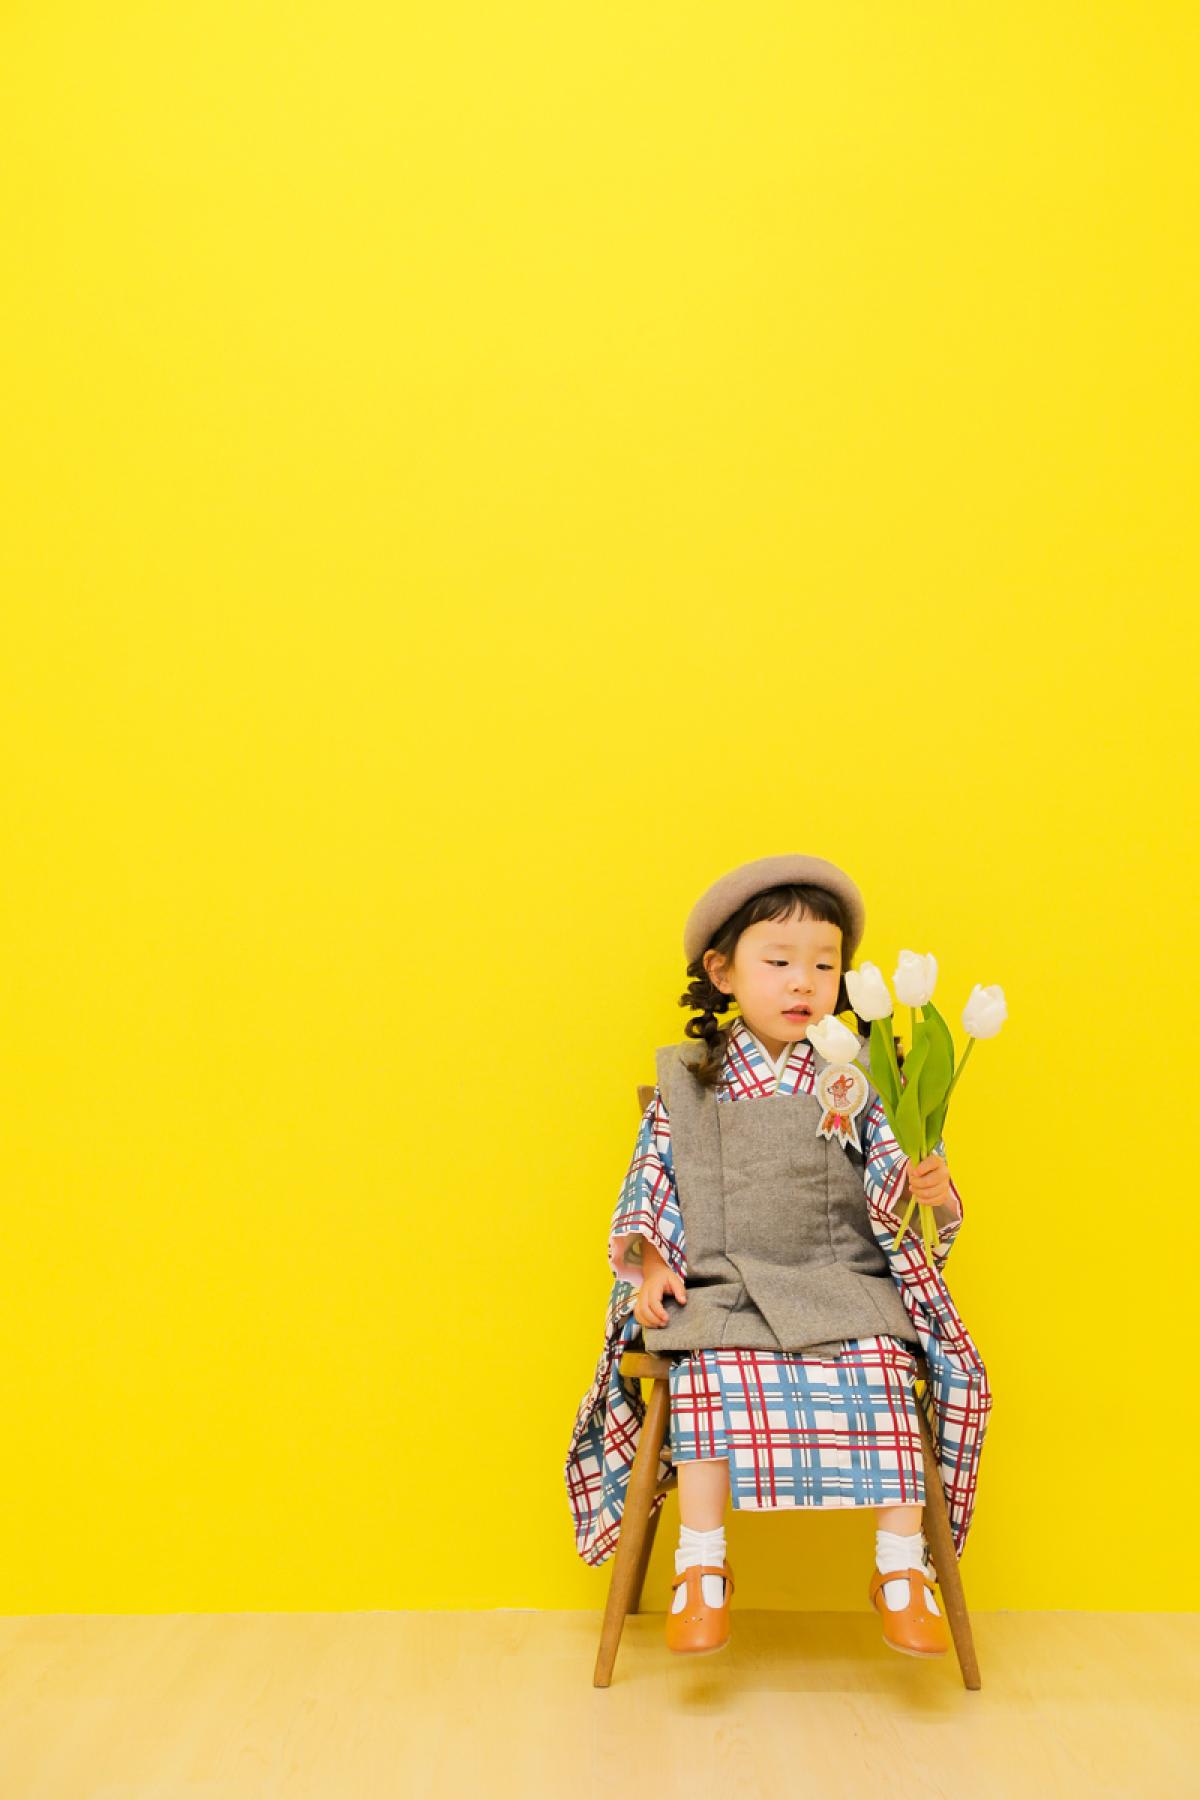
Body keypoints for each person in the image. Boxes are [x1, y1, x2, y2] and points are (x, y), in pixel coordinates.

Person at [564, 853, 992, 1659]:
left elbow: (896, 1189)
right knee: (706, 1371)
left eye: (825, 966)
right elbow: (652, 1181)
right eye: (780, 962)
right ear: (723, 972)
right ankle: (702, 1567)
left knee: (884, 1366)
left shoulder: (862, 1077)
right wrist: (654, 1263)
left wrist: (927, 1188)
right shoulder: (691, 1083)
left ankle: (900, 1571)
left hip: (842, 1279)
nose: (805, 983)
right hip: (725, 1283)